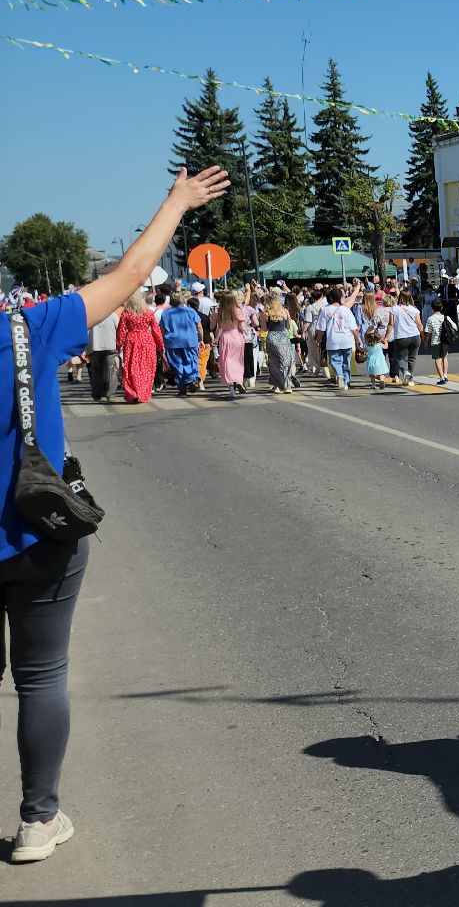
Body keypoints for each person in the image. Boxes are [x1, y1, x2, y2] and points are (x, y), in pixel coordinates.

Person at [1, 166, 229, 863]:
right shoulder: (28, 327)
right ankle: (39, 820)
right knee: (40, 677)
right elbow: (131, 273)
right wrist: (177, 202)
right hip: (35, 534)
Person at [115, 291, 162, 404]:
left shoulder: (126, 313)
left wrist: (118, 345)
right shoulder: (148, 312)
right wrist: (160, 345)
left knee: (131, 367)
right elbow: (156, 330)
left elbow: (121, 331)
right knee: (147, 367)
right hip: (146, 340)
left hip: (131, 341)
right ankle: (143, 392)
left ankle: (133, 391)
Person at [158, 288, 205, 396]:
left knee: (178, 364)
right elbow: (199, 326)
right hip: (190, 340)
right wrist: (201, 339)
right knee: (192, 360)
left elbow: (162, 329)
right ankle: (191, 378)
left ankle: (182, 387)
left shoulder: (166, 313)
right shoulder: (190, 311)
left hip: (172, 341)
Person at [317, 288, 360, 392]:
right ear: (340, 297)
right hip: (346, 339)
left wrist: (318, 339)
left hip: (333, 340)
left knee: (335, 361)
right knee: (347, 362)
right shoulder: (346, 310)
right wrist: (358, 339)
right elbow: (353, 327)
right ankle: (346, 382)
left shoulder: (325, 310)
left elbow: (321, 328)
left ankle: (339, 375)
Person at [212, 291, 248, 398]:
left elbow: (217, 327)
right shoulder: (237, 310)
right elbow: (242, 326)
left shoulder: (218, 311)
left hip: (225, 337)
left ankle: (232, 388)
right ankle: (238, 380)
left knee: (227, 361)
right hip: (236, 336)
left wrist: (216, 339)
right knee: (238, 360)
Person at [262, 293, 299, 394]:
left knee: (274, 362)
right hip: (283, 337)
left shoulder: (265, 313)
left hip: (272, 337)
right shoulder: (284, 311)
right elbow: (288, 326)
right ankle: (287, 385)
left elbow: (264, 329)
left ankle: (277, 386)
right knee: (286, 361)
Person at [85, 300, 120, 403]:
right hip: (110, 345)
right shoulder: (112, 314)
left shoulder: (90, 315)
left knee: (96, 371)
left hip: (94, 345)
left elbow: (85, 331)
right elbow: (118, 328)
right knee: (111, 370)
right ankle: (110, 394)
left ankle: (97, 394)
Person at [388, 291, 423, 385]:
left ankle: (405, 373)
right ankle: (411, 379)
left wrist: (387, 337)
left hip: (401, 337)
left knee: (401, 358)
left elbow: (391, 324)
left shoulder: (394, 309)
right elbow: (419, 324)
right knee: (412, 358)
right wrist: (422, 334)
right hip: (415, 336)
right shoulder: (414, 309)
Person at [360, 294, 391, 389]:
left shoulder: (369, 346)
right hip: (380, 362)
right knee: (381, 373)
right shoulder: (379, 345)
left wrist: (358, 346)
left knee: (372, 374)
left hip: (371, 362)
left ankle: (373, 384)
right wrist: (385, 341)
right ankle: (382, 380)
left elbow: (362, 349)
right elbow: (386, 347)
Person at [425, 297, 456, 385]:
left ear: (432, 308)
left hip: (435, 341)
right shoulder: (446, 317)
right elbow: (455, 327)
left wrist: (426, 342)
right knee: (445, 357)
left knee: (437, 359)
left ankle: (441, 377)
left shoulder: (430, 319)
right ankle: (445, 375)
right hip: (445, 340)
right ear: (441, 308)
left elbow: (428, 332)